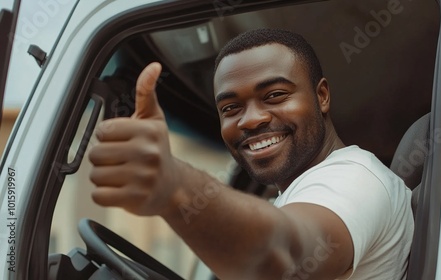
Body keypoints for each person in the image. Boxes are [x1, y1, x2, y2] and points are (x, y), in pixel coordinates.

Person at [88, 29, 414, 279]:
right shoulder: (298, 194)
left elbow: (284, 255)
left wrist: (176, 186)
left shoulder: (355, 180)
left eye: (274, 95)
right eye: (231, 108)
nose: (251, 119)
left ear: (322, 96)